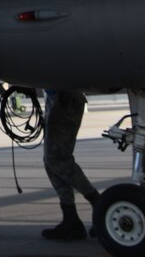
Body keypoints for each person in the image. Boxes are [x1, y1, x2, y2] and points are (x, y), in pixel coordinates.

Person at [40, 90, 101, 241]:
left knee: (57, 159)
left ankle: (100, 205)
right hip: (57, 98)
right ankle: (71, 220)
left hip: (65, 100)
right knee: (51, 161)